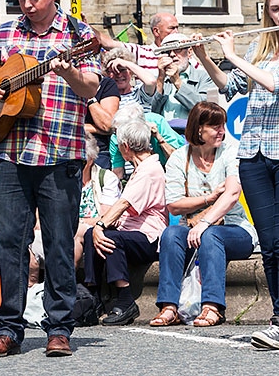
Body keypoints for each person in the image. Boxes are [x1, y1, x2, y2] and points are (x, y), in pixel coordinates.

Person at [0, 0, 101, 357]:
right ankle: (8, 329)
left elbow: (89, 87)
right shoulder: (5, 32)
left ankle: (59, 329)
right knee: (9, 245)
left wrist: (67, 70)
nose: (28, 4)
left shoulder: (78, 34)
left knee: (56, 246)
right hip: (10, 156)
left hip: (60, 157)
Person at [192, 0, 279, 350]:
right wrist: (204, 54)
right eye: (274, 9)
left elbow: (276, 83)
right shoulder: (257, 47)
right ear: (265, 12)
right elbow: (229, 84)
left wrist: (234, 55)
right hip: (253, 153)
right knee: (267, 244)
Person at [150, 102, 257, 327]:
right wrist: (208, 199)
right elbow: (175, 205)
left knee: (212, 235)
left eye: (223, 125)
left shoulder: (230, 152)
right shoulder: (180, 158)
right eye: (215, 126)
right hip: (192, 229)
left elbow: (232, 194)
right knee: (170, 234)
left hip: (234, 228)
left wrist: (205, 222)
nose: (221, 131)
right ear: (199, 129)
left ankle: (212, 306)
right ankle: (169, 306)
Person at [82, 120, 167, 325]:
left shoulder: (149, 170)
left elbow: (123, 204)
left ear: (125, 147)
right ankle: (93, 296)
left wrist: (101, 225)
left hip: (149, 235)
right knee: (90, 234)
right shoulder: (141, 168)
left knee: (109, 237)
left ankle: (125, 299)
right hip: (131, 229)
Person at [74, 132, 121, 268]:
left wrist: (79, 222)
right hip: (66, 228)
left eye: (80, 160)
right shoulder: (63, 178)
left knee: (77, 232)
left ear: (91, 159)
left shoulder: (106, 178)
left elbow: (105, 217)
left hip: (89, 230)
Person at [90, 12, 179, 77]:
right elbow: (108, 43)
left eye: (177, 28)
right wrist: (84, 26)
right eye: (172, 28)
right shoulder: (141, 52)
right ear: (156, 31)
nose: (176, 32)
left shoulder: (183, 53)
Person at [109, 102, 184, 179]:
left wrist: (159, 137)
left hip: (176, 168)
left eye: (121, 130)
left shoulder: (157, 122)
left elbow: (177, 160)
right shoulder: (116, 138)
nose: (118, 135)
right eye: (115, 131)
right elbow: (118, 172)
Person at [153, 33, 217, 122]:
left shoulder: (205, 77)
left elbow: (204, 112)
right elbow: (151, 112)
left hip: (190, 133)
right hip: (164, 133)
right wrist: (160, 80)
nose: (172, 54)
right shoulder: (160, 79)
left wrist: (177, 81)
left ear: (189, 52)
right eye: (166, 51)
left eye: (177, 49)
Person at [101, 47, 156, 112]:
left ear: (131, 71)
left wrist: (125, 63)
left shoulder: (139, 93)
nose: (119, 75)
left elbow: (151, 81)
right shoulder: (105, 97)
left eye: (122, 70)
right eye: (114, 71)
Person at [85, 76, 119, 169]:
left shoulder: (106, 84)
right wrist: (97, 129)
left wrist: (89, 95)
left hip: (97, 151)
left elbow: (108, 126)